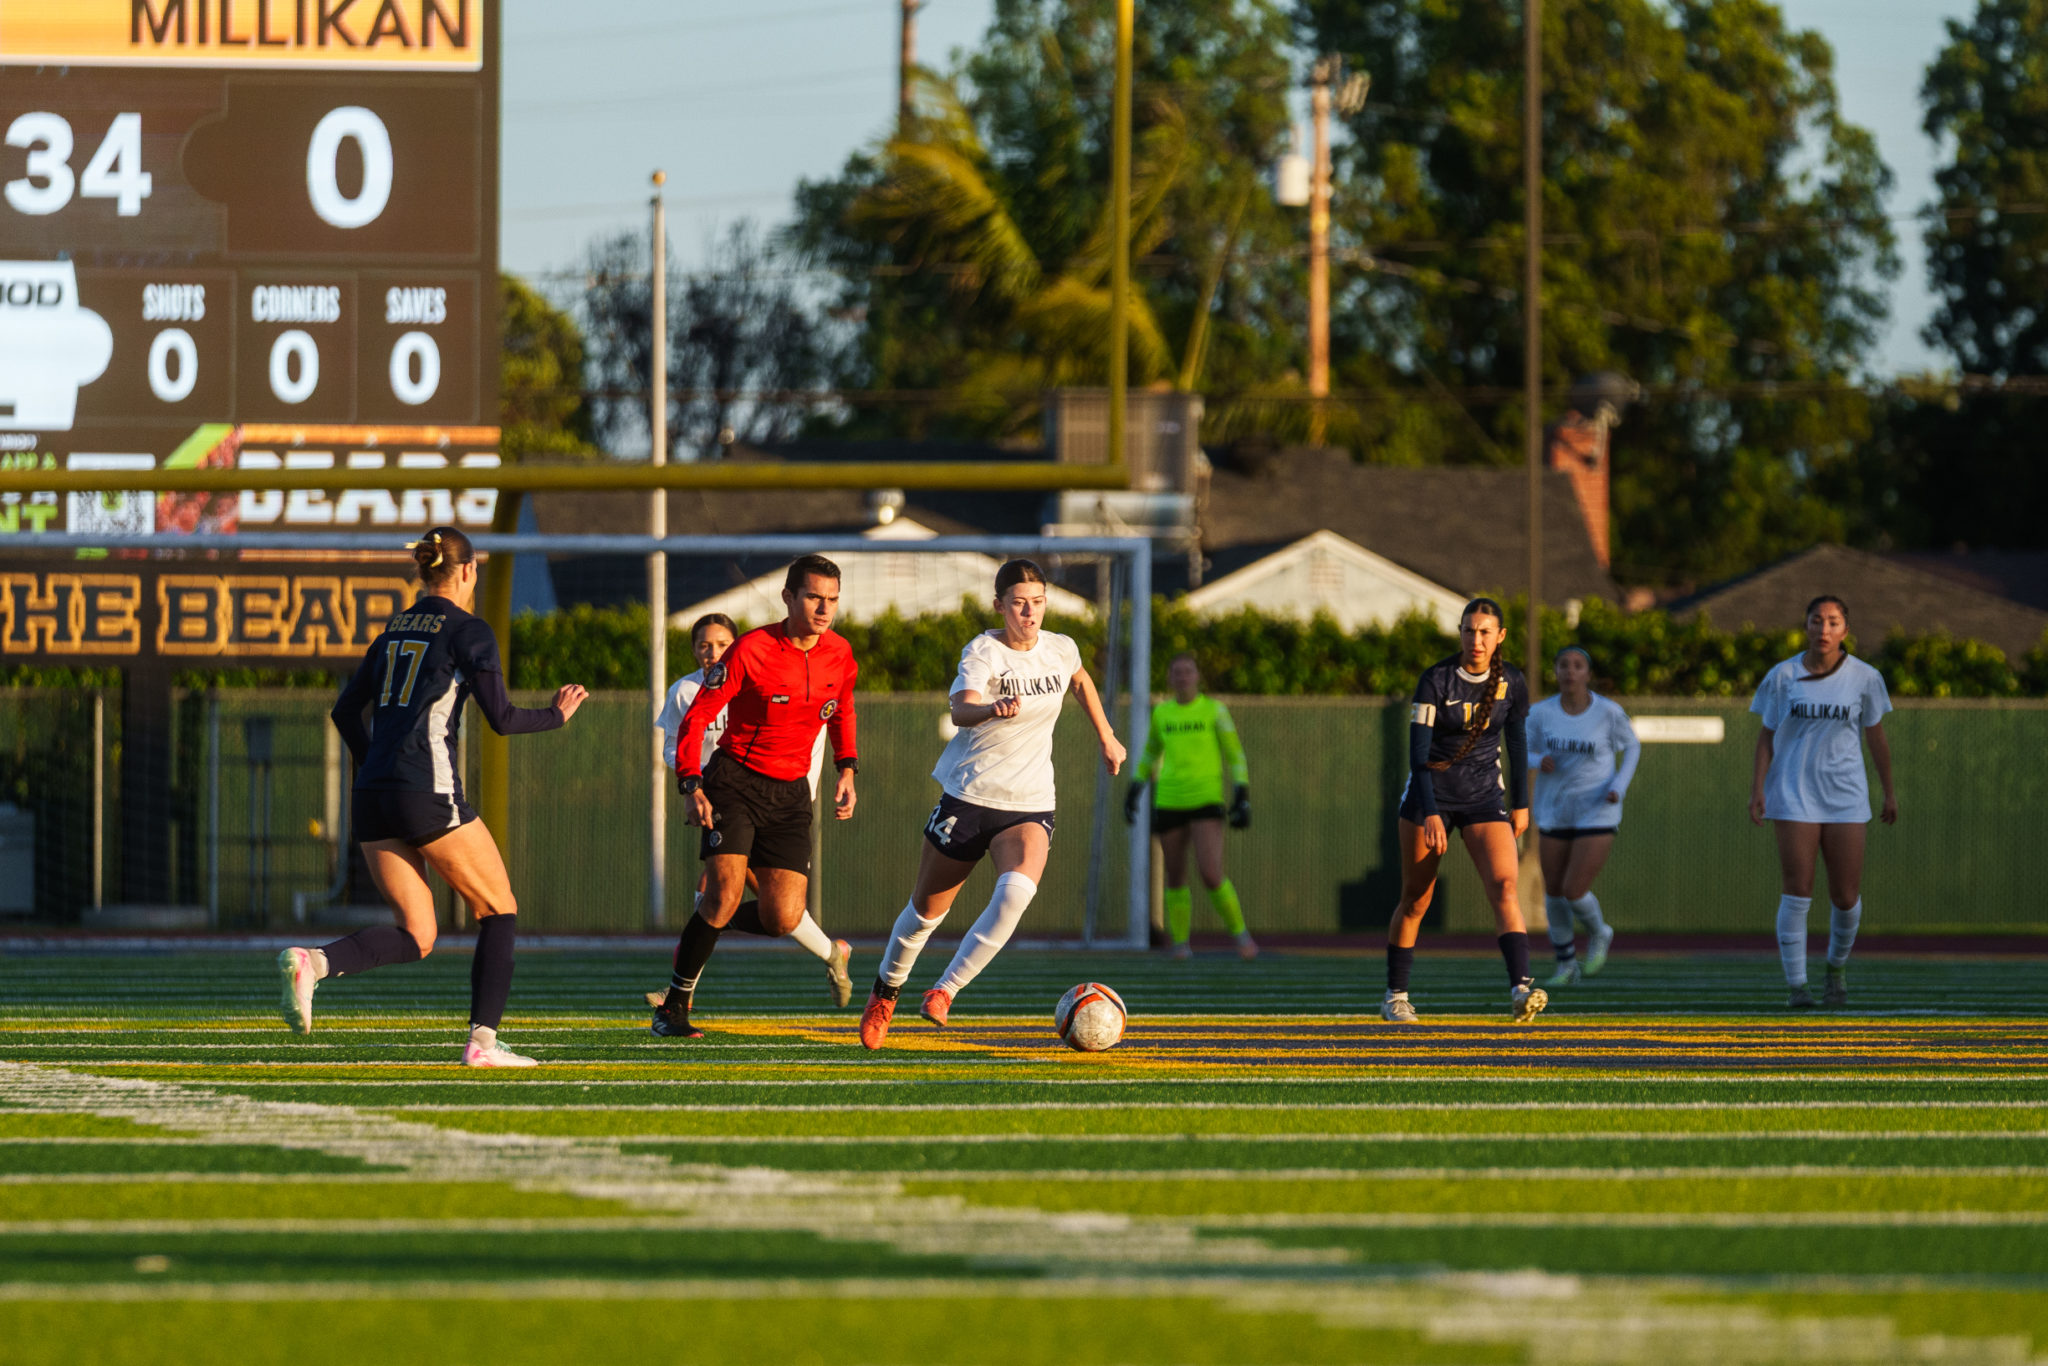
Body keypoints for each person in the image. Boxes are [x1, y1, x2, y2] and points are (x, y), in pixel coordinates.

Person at [276, 528, 588, 1067]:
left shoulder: (393, 628)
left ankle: (314, 964)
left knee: (418, 934)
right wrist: (555, 715)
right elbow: (502, 718)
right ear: (468, 571)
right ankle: (482, 1045)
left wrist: (377, 765)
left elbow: (345, 712)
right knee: (499, 910)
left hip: (372, 794)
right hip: (425, 789)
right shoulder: (469, 629)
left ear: (424, 571)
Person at [858, 559, 1125, 1049]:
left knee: (1016, 894)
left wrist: (1106, 737)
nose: (1030, 613)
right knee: (924, 915)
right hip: (969, 797)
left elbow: (1080, 680)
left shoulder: (1060, 648)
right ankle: (885, 992)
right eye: (1019, 603)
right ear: (999, 605)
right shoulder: (983, 651)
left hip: (1030, 803)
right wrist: (989, 709)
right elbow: (960, 709)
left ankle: (945, 990)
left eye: (1038, 602)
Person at [653, 555, 860, 1039]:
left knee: (782, 917)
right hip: (735, 782)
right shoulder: (751, 649)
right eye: (814, 597)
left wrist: (847, 767)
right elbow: (697, 717)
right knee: (723, 895)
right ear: (788, 597)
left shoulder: (840, 653)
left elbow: (842, 708)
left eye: (832, 599)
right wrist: (691, 783)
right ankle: (673, 1008)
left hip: (791, 794)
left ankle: (709, 923)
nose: (824, 609)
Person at [1382, 597, 1544, 1024]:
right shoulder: (1435, 679)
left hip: (1483, 797)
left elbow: (1517, 743)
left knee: (1505, 886)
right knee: (1416, 899)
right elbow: (1418, 754)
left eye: (1485, 631)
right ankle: (1395, 996)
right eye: (1469, 630)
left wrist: (1521, 804)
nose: (1476, 639)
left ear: (1500, 636)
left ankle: (1520, 990)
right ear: (1460, 633)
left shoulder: (1512, 680)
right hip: (1430, 796)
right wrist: (1430, 811)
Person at [1749, 595, 1897, 1008]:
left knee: (1846, 897)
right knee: (1797, 890)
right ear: (1806, 627)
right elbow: (1766, 736)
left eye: (1833, 621)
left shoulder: (1865, 677)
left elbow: (1876, 738)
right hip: (1793, 792)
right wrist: (1757, 788)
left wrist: (1889, 791)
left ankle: (1836, 968)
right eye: (1817, 620)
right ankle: (1797, 986)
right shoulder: (1783, 675)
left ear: (1846, 630)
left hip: (1845, 795)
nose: (1824, 629)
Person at [1125, 653, 1256, 960]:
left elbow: (1235, 754)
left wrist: (1242, 793)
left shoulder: (1215, 711)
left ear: (1197, 676)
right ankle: (1181, 944)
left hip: (1206, 800)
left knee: (1211, 873)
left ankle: (1242, 936)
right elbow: (1150, 754)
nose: (1183, 677)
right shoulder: (1162, 713)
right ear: (1170, 678)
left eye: (1188, 671)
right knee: (1174, 874)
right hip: (1170, 799)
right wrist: (1135, 789)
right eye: (1177, 672)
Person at [1527, 646, 1640, 987]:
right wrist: (1537, 760)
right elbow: (1520, 748)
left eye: (1578, 666)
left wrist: (1618, 785)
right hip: (1555, 809)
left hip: (1598, 809)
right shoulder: (1540, 713)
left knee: (1574, 890)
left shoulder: (1608, 712)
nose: (1570, 671)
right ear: (1556, 671)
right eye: (1564, 665)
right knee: (1554, 891)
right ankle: (1566, 965)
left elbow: (1632, 746)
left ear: (1588, 674)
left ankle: (1600, 932)